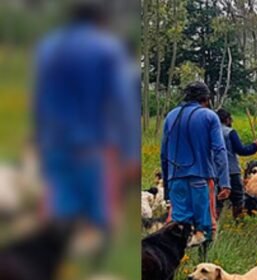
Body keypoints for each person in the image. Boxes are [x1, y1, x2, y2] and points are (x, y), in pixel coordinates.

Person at [34, 1, 139, 256]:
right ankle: (93, 278)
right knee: (98, 219)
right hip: (94, 146)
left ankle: (56, 273)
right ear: (100, 21)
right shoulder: (106, 48)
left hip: (54, 143)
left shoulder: (48, 48)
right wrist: (130, 152)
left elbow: (40, 99)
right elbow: (122, 104)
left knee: (60, 212)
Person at [160, 81, 229, 255]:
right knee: (205, 226)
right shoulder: (209, 116)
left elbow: (164, 155)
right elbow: (219, 150)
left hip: (175, 180)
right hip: (202, 179)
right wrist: (225, 182)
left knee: (177, 225)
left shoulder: (171, 116)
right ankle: (204, 267)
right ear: (205, 99)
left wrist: (167, 188)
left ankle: (172, 265)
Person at [215, 109, 257, 220]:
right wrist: (254, 146)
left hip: (214, 171)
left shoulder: (211, 132)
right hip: (231, 171)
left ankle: (214, 222)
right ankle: (238, 221)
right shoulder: (230, 132)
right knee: (238, 198)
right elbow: (241, 150)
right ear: (227, 119)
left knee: (217, 199)